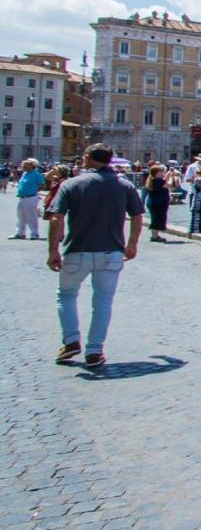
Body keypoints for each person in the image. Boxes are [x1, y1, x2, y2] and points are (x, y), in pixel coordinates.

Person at [46, 143, 144, 367]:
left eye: (84, 156)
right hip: (111, 251)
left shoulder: (71, 184)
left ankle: (71, 340)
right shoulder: (125, 185)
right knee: (103, 301)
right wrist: (132, 244)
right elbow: (137, 216)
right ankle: (94, 350)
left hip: (78, 249)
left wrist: (53, 250)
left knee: (66, 295)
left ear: (89, 158)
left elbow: (55, 217)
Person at [11, 158, 45, 240]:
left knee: (31, 216)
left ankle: (34, 233)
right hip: (22, 197)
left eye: (25, 164)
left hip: (31, 197)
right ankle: (20, 233)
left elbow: (42, 185)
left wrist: (34, 191)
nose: (23, 165)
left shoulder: (36, 174)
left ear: (32, 165)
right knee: (21, 216)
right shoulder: (25, 174)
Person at [143, 164, 170, 242]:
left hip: (153, 202)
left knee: (155, 219)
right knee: (156, 219)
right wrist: (171, 176)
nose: (163, 173)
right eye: (161, 172)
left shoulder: (151, 180)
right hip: (158, 203)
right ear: (156, 173)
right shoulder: (159, 181)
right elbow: (169, 185)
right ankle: (154, 236)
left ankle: (155, 235)